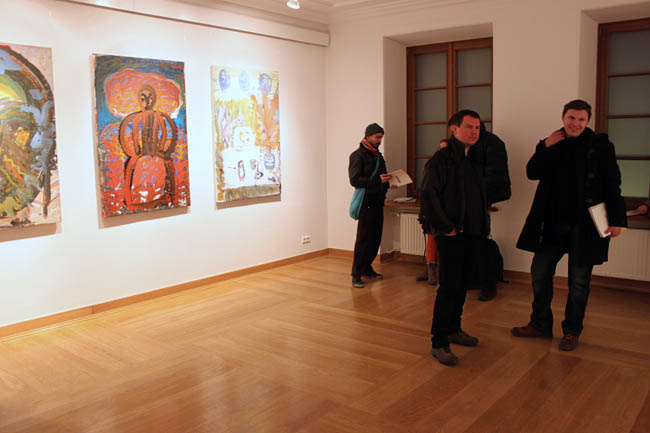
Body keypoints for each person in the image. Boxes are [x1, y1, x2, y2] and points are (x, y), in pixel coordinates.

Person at [512, 99, 627, 351]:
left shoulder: (600, 145)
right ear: (563, 117)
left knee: (579, 282)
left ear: (588, 121)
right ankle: (540, 324)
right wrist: (545, 146)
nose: (575, 123)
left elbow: (613, 183)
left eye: (581, 119)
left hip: (585, 226)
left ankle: (572, 331)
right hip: (551, 223)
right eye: (571, 118)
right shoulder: (552, 142)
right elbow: (532, 172)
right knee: (540, 274)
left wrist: (617, 220)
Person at [420, 110, 489, 366]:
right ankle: (439, 341)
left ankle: (454, 329)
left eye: (477, 128)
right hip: (451, 235)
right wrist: (446, 228)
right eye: (469, 127)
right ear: (454, 129)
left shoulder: (475, 158)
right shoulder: (441, 160)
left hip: (472, 233)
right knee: (449, 288)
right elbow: (428, 196)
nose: (474, 132)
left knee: (462, 285)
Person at [349, 123, 392, 288]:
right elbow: (355, 180)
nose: (380, 140)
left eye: (381, 137)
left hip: (378, 202)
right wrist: (377, 180)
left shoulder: (378, 156)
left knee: (375, 239)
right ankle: (356, 274)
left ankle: (367, 268)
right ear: (368, 136)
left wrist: (389, 183)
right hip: (366, 203)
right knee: (363, 239)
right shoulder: (357, 156)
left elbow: (382, 177)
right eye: (377, 137)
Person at [416, 138, 448, 285]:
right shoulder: (432, 165)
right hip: (431, 207)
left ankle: (439, 271)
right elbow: (426, 189)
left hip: (444, 208)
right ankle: (431, 272)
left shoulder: (454, 166)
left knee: (442, 240)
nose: (442, 151)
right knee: (432, 238)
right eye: (440, 148)